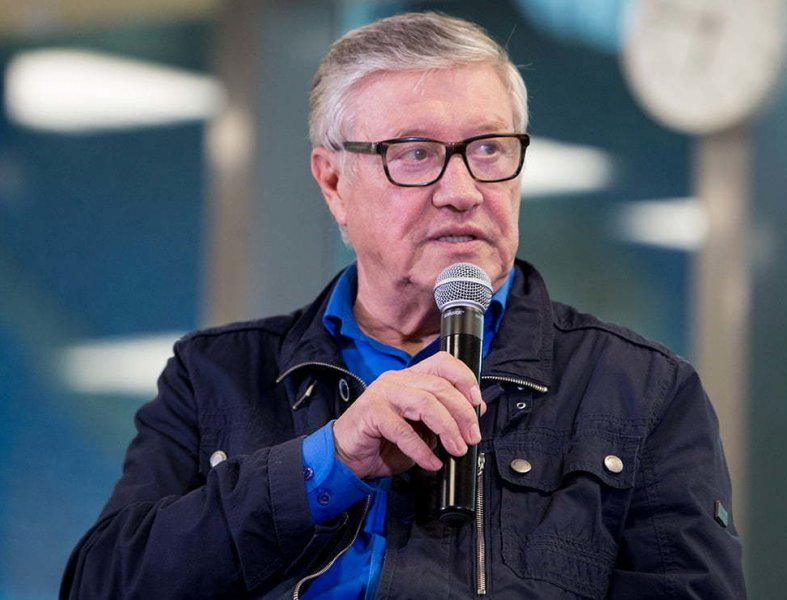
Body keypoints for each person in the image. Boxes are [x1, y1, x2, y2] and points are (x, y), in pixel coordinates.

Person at [61, 11, 746, 599]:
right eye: (415, 154)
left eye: (488, 149)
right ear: (334, 182)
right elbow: (103, 584)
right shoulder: (214, 377)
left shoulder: (642, 391)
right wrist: (332, 461)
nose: (463, 190)